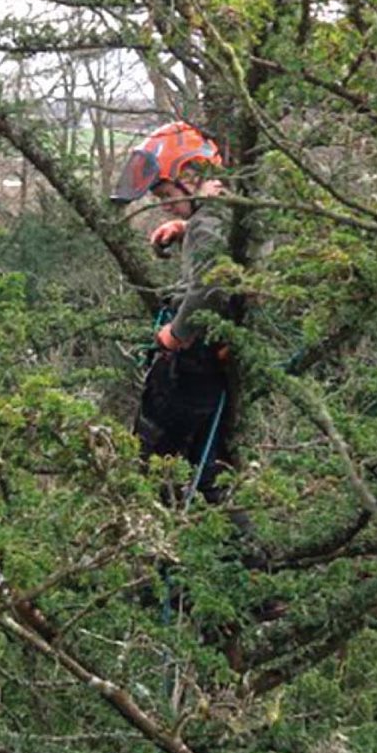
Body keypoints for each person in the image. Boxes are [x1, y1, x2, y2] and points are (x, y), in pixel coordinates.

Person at [109, 121, 242, 508]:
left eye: (168, 194)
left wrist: (177, 333)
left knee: (163, 449)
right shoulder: (219, 212)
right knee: (203, 455)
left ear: (194, 175)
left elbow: (211, 287)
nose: (164, 204)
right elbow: (222, 245)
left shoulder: (210, 223)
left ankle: (159, 520)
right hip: (209, 352)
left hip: (199, 358)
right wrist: (185, 225)